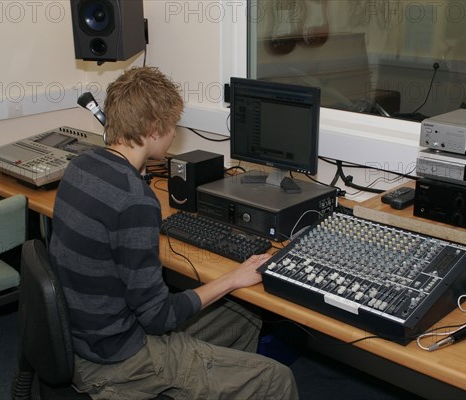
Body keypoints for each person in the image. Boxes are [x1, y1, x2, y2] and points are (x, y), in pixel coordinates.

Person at [48, 67, 299, 400]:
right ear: (153, 129)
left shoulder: (80, 166)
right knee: (276, 379)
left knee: (245, 315)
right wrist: (232, 279)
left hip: (84, 339)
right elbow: (158, 317)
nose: (173, 135)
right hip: (119, 361)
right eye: (172, 126)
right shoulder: (135, 201)